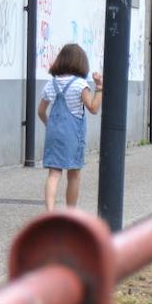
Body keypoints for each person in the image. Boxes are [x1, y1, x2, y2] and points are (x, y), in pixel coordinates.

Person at [38, 43, 103, 211]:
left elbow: (41, 111)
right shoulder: (80, 84)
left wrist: (49, 124)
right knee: (73, 174)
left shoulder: (51, 84)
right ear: (81, 63)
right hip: (73, 134)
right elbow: (93, 108)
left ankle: (50, 212)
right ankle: (71, 213)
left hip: (54, 133)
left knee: (54, 173)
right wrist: (100, 88)